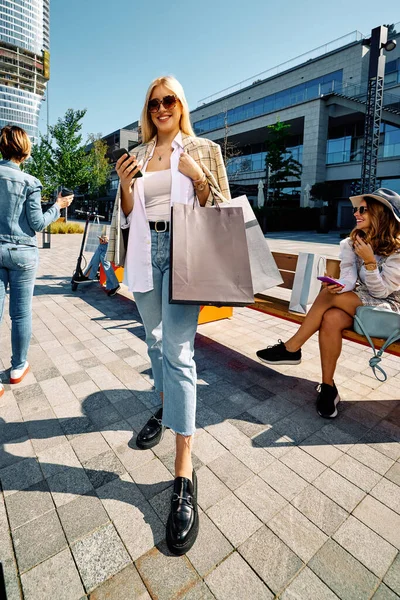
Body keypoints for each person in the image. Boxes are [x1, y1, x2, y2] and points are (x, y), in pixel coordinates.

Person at [107, 75, 230, 555]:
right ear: (147, 109)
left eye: (170, 100)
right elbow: (127, 212)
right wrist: (123, 186)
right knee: (154, 342)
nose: (162, 107)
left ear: (181, 105)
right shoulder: (137, 155)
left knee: (179, 353)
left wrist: (196, 174)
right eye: (155, 102)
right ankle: (166, 403)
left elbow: (218, 207)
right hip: (145, 251)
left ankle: (183, 471)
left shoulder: (202, 148)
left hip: (185, 251)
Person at [256, 188, 400, 419]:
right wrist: (339, 286)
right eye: (356, 209)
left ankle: (292, 348)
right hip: (362, 306)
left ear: (381, 214)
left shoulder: (397, 250)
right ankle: (328, 387)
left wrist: (371, 262)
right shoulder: (352, 243)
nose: (356, 213)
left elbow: (382, 291)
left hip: (388, 313)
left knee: (328, 298)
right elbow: (349, 280)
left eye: (363, 209)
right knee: (330, 316)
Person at [0, 125, 73, 396]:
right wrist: (58, 206)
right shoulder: (30, 182)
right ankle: (18, 367)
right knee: (20, 314)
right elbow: (37, 223)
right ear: (25, 150)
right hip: (22, 254)